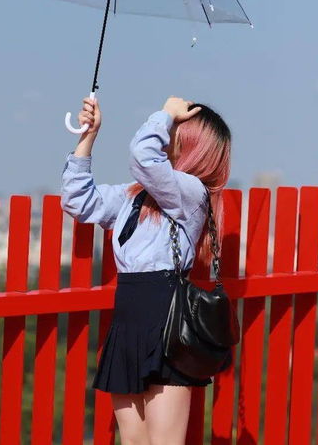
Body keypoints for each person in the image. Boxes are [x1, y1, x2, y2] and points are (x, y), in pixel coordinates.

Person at [60, 95, 231, 445]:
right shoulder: (135, 196)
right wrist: (89, 135)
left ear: (192, 144)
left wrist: (165, 114)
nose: (167, 136)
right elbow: (77, 200)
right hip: (129, 318)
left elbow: (143, 157)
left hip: (166, 321)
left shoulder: (191, 193)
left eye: (175, 131)